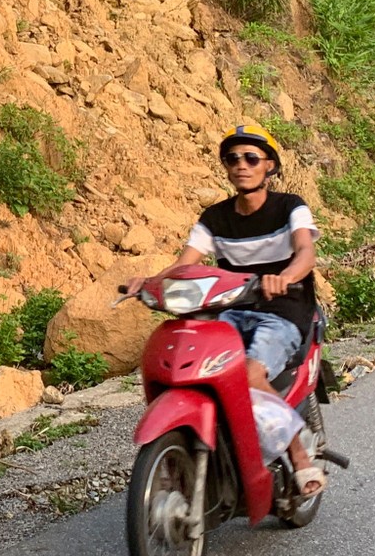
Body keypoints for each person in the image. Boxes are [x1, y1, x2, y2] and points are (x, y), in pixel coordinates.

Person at [123, 123, 326, 495]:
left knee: (248, 374)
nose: (241, 166)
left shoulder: (289, 206)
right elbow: (185, 264)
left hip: (282, 312)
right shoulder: (214, 217)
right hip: (229, 312)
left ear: (270, 167)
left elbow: (305, 251)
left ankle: (298, 457)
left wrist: (285, 276)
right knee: (199, 368)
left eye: (251, 158)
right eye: (233, 159)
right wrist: (149, 281)